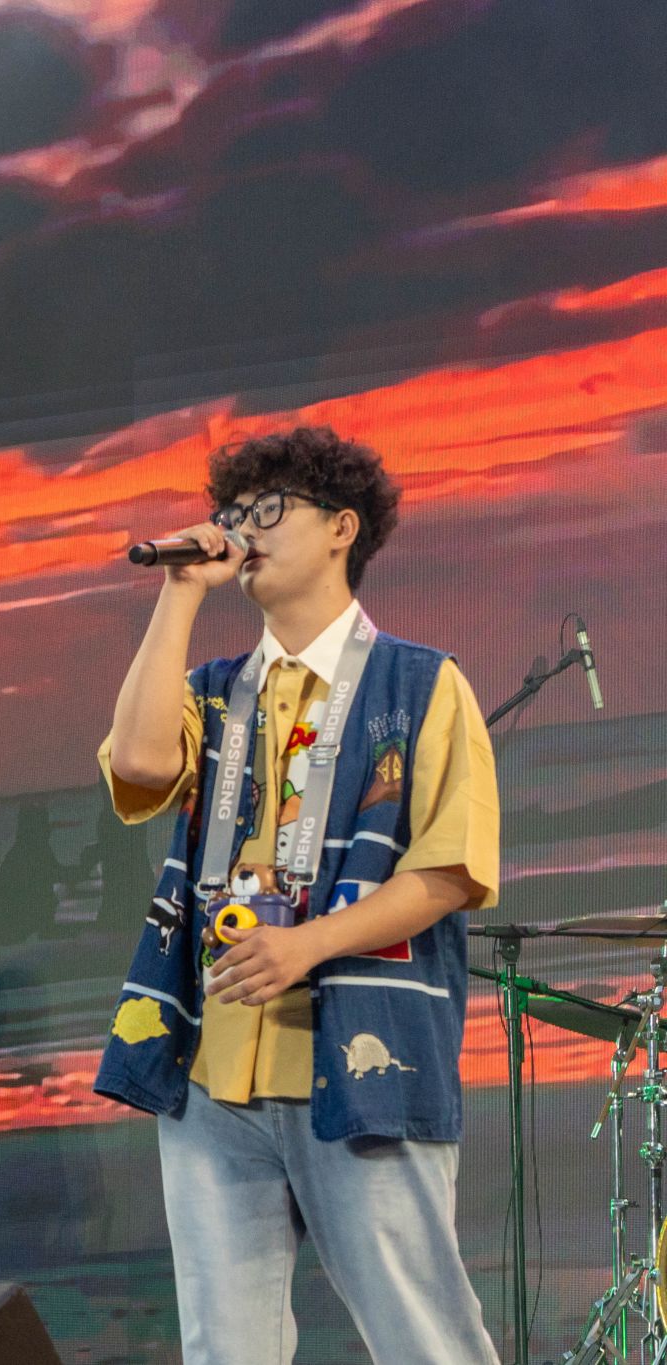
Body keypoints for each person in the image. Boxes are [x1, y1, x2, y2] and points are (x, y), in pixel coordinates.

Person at [91, 428, 501, 1364]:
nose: (244, 529)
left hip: (361, 1058)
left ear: (341, 528)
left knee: (424, 1338)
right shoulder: (213, 691)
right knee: (224, 1348)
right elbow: (142, 762)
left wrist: (307, 945)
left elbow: (448, 871)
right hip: (212, 1072)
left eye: (269, 509)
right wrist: (179, 590)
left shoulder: (421, 684)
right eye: (234, 512)